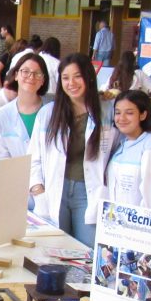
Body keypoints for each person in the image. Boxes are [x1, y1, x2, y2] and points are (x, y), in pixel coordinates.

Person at [29, 53, 116, 247]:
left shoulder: (107, 111)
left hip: (88, 193)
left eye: (77, 76)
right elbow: (33, 157)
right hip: (54, 192)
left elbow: (121, 149)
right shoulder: (49, 113)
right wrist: (38, 190)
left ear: (89, 77)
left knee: (88, 251)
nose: (71, 83)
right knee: (55, 251)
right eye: (65, 78)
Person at [106, 90, 151, 210]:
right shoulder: (121, 144)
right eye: (117, 113)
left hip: (139, 225)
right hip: (116, 222)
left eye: (129, 113)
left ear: (143, 115)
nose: (121, 118)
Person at [0, 53, 50, 161]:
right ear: (16, 75)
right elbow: (3, 159)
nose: (31, 77)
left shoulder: (53, 113)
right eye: (26, 71)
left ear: (43, 80)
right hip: (14, 176)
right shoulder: (1, 116)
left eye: (37, 73)